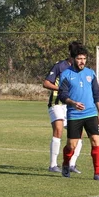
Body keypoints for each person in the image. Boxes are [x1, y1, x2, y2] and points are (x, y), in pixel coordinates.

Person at [58, 45, 99, 182]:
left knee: (96, 141)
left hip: (91, 114)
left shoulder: (90, 73)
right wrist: (73, 103)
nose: (82, 61)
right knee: (71, 145)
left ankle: (97, 173)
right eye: (79, 58)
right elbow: (63, 96)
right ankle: (66, 164)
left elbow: (97, 95)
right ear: (73, 59)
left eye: (84, 58)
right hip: (74, 115)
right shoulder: (66, 74)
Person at [42, 41, 83, 174]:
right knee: (58, 130)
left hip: (72, 105)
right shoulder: (60, 66)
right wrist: (61, 89)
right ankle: (53, 165)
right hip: (57, 103)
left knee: (78, 135)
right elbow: (46, 83)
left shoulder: (80, 69)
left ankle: (72, 164)